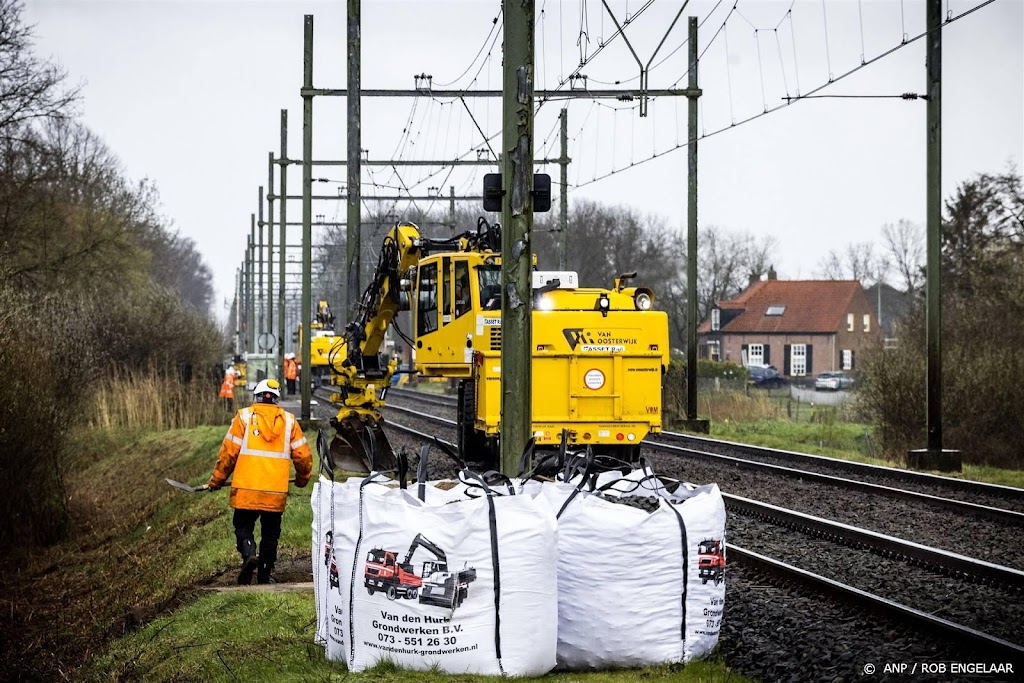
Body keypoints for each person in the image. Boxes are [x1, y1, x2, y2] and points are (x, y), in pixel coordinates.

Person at [208, 378, 312, 585]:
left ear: (256, 396)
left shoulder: (244, 417)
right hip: (275, 491)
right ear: (276, 399)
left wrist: (217, 480)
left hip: (247, 488)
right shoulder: (290, 421)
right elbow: (303, 456)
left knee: (243, 525)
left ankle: (248, 554)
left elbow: (228, 454)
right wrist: (302, 479)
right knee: (271, 533)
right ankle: (265, 574)